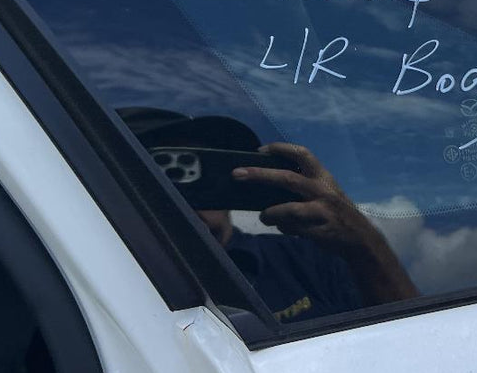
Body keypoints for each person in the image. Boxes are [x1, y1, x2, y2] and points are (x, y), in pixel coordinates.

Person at [120, 108, 417, 324]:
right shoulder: (108, 284)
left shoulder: (306, 260)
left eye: (204, 175)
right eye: (160, 176)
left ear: (233, 181)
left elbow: (414, 339)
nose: (184, 193)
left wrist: (363, 244)